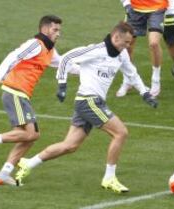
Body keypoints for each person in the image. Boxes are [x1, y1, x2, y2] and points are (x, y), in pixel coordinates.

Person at [14, 22, 158, 193]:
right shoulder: (96, 50)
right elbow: (66, 59)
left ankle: (29, 163)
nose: (128, 46)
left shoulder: (122, 54)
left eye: (129, 43)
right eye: (125, 42)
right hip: (88, 101)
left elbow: (131, 73)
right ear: (115, 37)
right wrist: (62, 85)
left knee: (70, 146)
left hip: (94, 102)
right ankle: (109, 178)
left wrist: (145, 93)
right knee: (121, 133)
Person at [0, 15, 65, 186]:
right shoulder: (35, 45)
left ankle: (4, 174)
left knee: (32, 137)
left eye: (59, 30)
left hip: (22, 95)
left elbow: (64, 65)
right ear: (45, 29)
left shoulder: (50, 50)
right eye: (55, 30)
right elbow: (13, 57)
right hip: (14, 92)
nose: (58, 34)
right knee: (30, 133)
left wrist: (90, 69)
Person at [116, 0, 168, 97]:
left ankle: (155, 80)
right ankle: (128, 80)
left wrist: (173, 11)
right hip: (135, 8)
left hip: (158, 7)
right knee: (126, 46)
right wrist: (126, 4)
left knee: (154, 43)